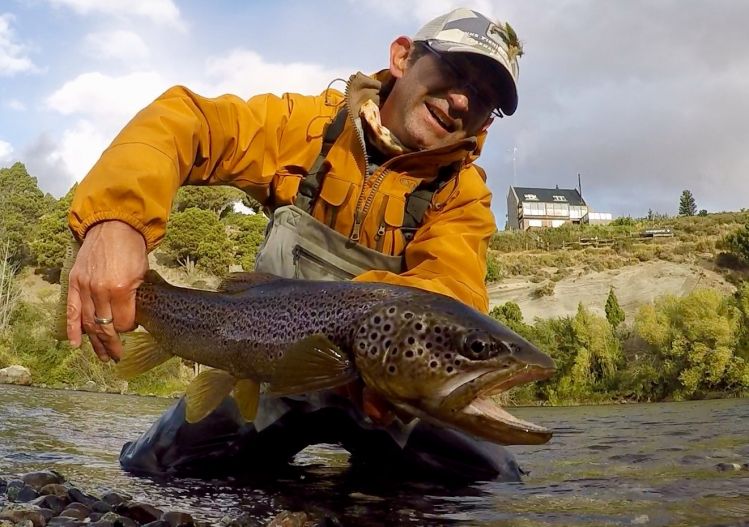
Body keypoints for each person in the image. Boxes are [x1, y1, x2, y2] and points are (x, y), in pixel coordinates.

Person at [65, 7, 525, 482]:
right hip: (261, 371)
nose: (460, 101)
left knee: (490, 477)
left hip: (384, 388)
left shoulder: (463, 195)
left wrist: (388, 355)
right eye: (456, 73)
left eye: (484, 99)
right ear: (402, 57)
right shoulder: (308, 127)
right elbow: (185, 121)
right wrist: (116, 219)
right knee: (154, 468)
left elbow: (451, 289)